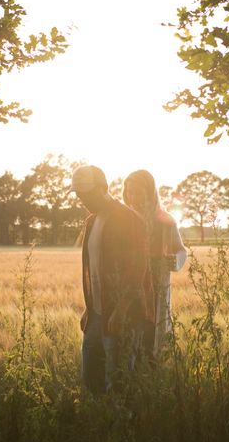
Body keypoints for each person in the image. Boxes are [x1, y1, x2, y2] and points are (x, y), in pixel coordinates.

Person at [73, 164, 154, 395]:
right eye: (79, 195)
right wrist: (90, 308)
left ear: (104, 188)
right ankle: (97, 418)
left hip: (123, 315)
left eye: (87, 193)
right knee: (91, 382)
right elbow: (94, 268)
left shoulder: (128, 219)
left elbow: (138, 267)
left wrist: (122, 308)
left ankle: (124, 418)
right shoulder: (91, 221)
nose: (83, 200)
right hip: (97, 315)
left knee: (119, 385)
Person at [122, 169, 187, 359]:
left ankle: (152, 369)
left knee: (153, 337)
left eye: (137, 191)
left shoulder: (165, 221)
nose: (132, 197)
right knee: (130, 337)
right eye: (129, 191)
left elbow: (181, 250)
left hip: (157, 287)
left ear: (150, 192)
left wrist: (175, 261)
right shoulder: (122, 221)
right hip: (129, 288)